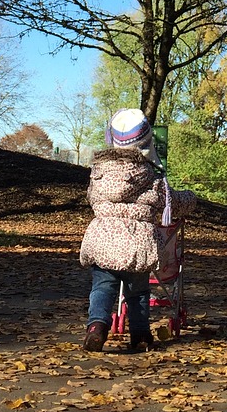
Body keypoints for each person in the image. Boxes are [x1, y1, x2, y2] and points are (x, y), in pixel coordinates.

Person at [79, 108, 195, 353]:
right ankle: (140, 335)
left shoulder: (98, 175)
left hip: (103, 242)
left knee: (102, 287)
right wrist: (191, 199)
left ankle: (96, 327)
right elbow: (172, 202)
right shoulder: (152, 178)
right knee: (138, 292)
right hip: (136, 244)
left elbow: (91, 198)